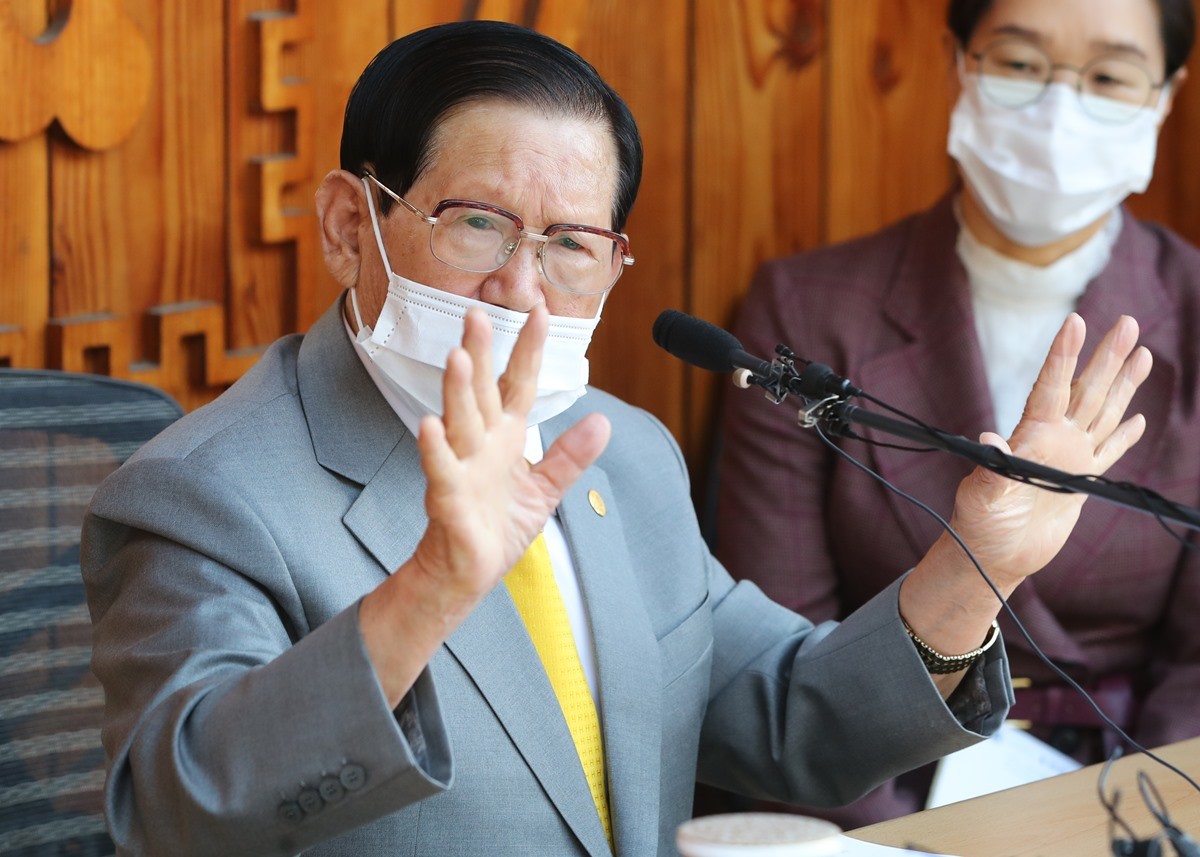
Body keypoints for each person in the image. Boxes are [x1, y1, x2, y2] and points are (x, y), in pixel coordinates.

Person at [82, 19, 1151, 856]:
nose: (521, 287)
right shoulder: (204, 492)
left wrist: (980, 567)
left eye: (570, 244)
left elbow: (789, 719)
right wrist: (434, 585)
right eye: (477, 222)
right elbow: (181, 818)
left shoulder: (615, 450)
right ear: (350, 224)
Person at [716, 0, 1200, 828]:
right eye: (1018, 63)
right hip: (869, 800)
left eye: (1109, 76)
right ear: (957, 63)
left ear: (1166, 93)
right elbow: (773, 648)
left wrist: (1147, 828)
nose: (1058, 110)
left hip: (1141, 797)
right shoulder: (803, 310)